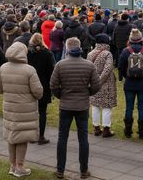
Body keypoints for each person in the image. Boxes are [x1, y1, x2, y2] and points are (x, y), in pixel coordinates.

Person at [50, 37, 101, 179]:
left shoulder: (60, 65)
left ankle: (60, 170)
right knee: (83, 138)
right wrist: (87, 93)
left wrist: (61, 95)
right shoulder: (89, 65)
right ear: (79, 47)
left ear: (67, 48)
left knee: (62, 138)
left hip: (66, 105)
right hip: (82, 106)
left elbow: (53, 85)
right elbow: (96, 85)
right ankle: (83, 170)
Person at [0, 42, 43, 177]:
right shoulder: (29, 70)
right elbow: (38, 92)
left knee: (12, 136)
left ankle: (12, 165)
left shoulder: (3, 67)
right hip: (25, 109)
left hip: (10, 107)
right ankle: (19, 166)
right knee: (21, 138)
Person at [118, 29, 143, 139]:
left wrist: (126, 76)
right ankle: (142, 131)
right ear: (141, 39)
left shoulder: (125, 51)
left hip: (129, 82)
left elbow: (121, 67)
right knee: (141, 107)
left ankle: (128, 130)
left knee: (129, 107)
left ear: (130, 39)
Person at [27, 33, 55, 145]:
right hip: (43, 84)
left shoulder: (28, 53)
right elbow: (51, 71)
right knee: (42, 111)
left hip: (30, 84)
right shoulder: (47, 54)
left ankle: (32, 135)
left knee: (31, 111)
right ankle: (41, 136)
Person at [87, 34, 117, 138]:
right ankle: (106, 130)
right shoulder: (107, 53)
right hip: (106, 84)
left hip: (93, 83)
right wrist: (100, 81)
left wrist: (94, 81)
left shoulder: (90, 53)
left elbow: (88, 69)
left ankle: (96, 128)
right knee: (106, 106)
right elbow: (108, 69)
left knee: (95, 105)